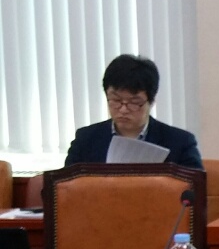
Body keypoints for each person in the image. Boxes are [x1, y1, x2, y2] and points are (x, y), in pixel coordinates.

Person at [64, 54, 203, 168]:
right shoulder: (86, 139)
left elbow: (195, 188)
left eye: (134, 102)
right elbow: (65, 186)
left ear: (151, 101)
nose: (123, 109)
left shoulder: (180, 142)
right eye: (116, 100)